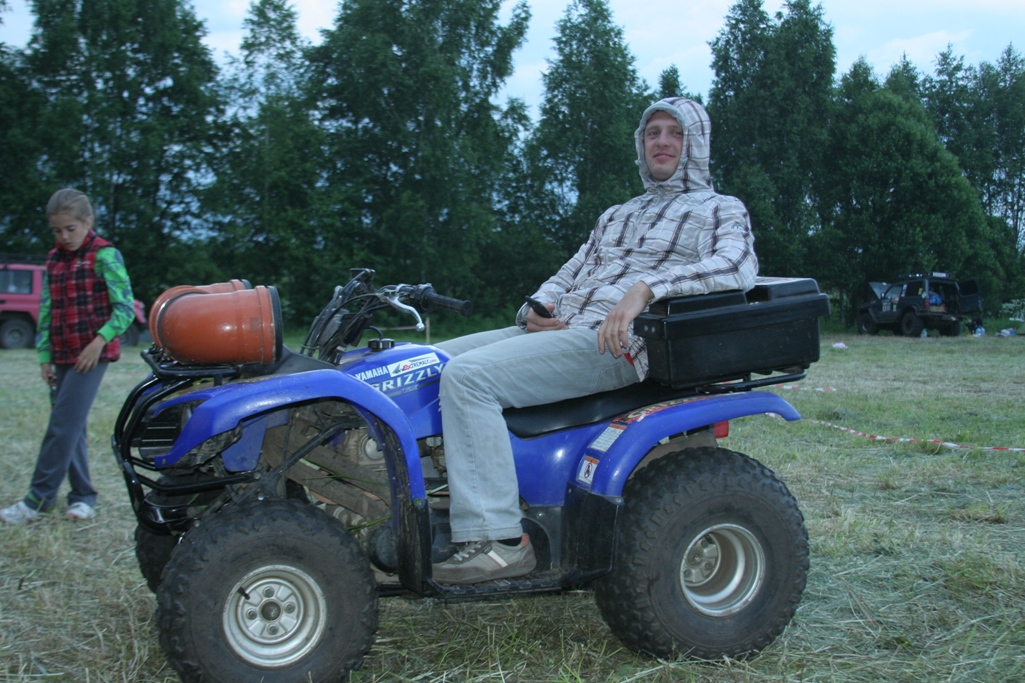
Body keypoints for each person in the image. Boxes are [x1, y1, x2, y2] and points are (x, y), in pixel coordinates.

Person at [431, 97, 758, 584]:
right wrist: (535, 308)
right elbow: (570, 272)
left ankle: (498, 541)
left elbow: (736, 266)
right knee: (427, 361)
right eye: (653, 132)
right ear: (641, 144)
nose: (662, 142)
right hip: (563, 329)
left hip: (615, 343)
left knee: (468, 378)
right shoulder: (618, 214)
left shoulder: (720, 208)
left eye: (676, 132)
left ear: (696, 144)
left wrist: (646, 289)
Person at [0, 189, 136, 524]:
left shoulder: (105, 255)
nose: (64, 236)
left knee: (61, 425)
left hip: (91, 355)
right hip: (60, 352)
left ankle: (38, 499)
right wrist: (44, 355)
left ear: (88, 221)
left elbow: (125, 309)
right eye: (57, 230)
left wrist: (98, 342)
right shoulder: (53, 258)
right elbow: (47, 308)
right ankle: (83, 496)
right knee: (71, 427)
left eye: (70, 229)